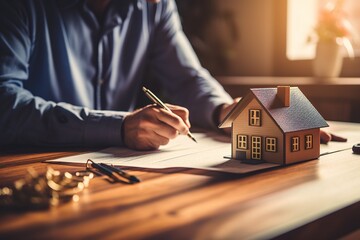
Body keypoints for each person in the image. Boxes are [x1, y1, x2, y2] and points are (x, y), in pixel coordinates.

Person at [0, 0, 332, 150]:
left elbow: (187, 78)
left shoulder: (154, 5)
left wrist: (227, 112)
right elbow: (5, 104)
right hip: (29, 177)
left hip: (121, 175)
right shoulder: (19, 6)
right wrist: (117, 126)